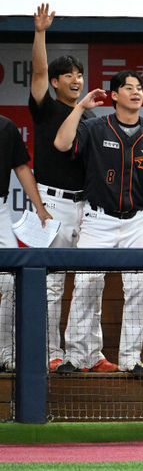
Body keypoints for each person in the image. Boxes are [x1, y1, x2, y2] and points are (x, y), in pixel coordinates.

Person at [53, 71, 143, 377]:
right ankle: (77, 357)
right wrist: (80, 107)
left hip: (138, 223)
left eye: (139, 88)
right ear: (114, 96)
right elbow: (62, 144)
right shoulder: (94, 127)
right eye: (128, 88)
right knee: (86, 286)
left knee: (140, 287)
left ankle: (131, 358)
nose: (136, 92)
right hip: (97, 219)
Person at [29, 2, 92, 372]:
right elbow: (38, 70)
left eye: (79, 74)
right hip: (52, 205)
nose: (75, 79)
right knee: (51, 286)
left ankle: (86, 353)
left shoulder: (90, 115)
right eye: (68, 75)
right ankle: (49, 353)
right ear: (55, 82)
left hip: (86, 209)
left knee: (89, 283)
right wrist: (41, 32)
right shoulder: (46, 109)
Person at [0, 114, 52, 371]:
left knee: (11, 280)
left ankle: (6, 350)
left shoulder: (5, 126)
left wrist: (39, 207)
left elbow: (21, 168)